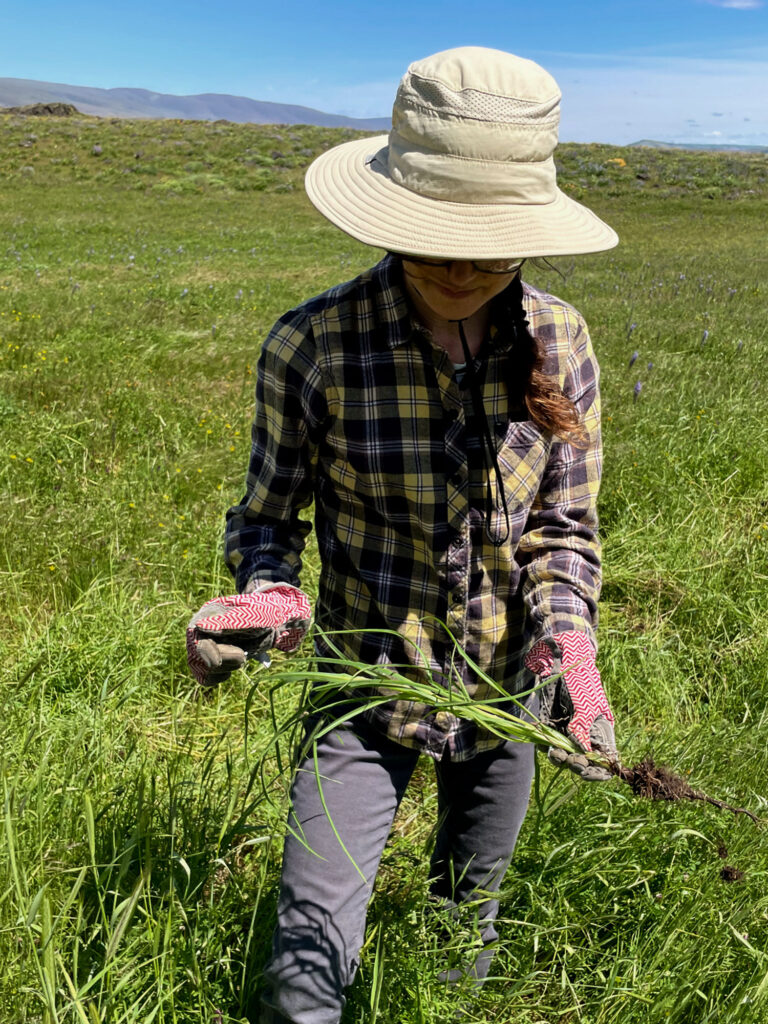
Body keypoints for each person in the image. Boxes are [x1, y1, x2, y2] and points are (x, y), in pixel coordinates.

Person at [186, 46, 620, 1024]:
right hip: (362, 688)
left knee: (468, 927)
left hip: (510, 693)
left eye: (494, 240)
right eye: (438, 236)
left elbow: (563, 526)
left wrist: (571, 651)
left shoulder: (564, 341)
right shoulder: (315, 344)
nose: (466, 266)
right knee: (307, 961)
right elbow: (268, 518)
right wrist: (272, 599)